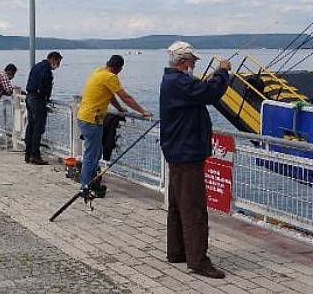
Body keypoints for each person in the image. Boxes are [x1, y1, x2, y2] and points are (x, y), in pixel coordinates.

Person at [159, 41, 231, 279]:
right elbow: (209, 93)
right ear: (184, 62)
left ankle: (177, 251)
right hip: (187, 153)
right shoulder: (179, 83)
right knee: (194, 209)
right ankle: (198, 261)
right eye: (193, 62)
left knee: (178, 205)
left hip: (179, 151)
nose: (194, 66)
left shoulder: (174, 82)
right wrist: (222, 71)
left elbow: (198, 91)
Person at [77, 55, 151, 197]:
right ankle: (85, 187)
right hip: (92, 120)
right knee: (91, 156)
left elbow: (110, 95)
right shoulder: (110, 77)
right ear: (119, 69)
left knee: (95, 153)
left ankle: (92, 183)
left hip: (84, 117)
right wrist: (143, 112)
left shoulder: (99, 71)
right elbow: (126, 97)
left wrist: (120, 109)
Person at [24, 51, 63, 165]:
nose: (58, 65)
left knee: (30, 126)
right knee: (38, 128)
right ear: (53, 59)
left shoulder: (36, 66)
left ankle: (28, 153)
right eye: (58, 62)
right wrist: (46, 97)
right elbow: (44, 87)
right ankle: (35, 155)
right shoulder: (46, 71)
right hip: (37, 100)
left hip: (29, 97)